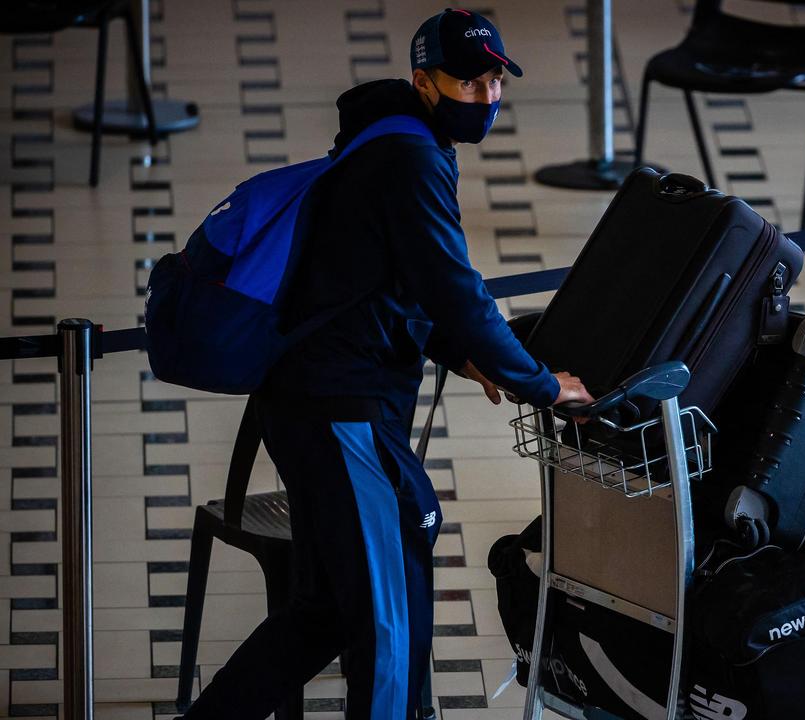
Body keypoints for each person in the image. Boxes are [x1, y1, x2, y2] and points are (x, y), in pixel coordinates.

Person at [181, 8, 592, 719]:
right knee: (389, 615)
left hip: (313, 409)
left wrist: (459, 356)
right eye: (469, 82)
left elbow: (383, 286)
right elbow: (456, 291)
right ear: (423, 82)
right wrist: (539, 384)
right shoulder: (410, 160)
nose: (487, 96)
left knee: (323, 610)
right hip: (345, 420)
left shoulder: (386, 142)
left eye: (496, 79)